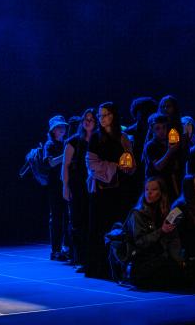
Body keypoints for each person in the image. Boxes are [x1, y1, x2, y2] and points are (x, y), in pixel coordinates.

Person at [86, 102, 135, 278]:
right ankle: (100, 268)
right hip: (101, 189)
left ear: (113, 116)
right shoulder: (95, 138)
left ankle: (118, 265)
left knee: (118, 227)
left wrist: (127, 168)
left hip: (119, 189)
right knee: (100, 227)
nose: (102, 118)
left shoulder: (123, 138)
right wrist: (114, 167)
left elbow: (130, 161)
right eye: (100, 115)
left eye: (105, 115)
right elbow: (91, 164)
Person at [124, 177, 187, 288]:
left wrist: (178, 260)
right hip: (142, 261)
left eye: (154, 190)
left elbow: (173, 238)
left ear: (161, 193)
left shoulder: (165, 212)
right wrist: (161, 231)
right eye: (147, 189)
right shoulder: (138, 214)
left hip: (159, 259)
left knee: (184, 273)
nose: (149, 193)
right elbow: (140, 242)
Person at [62, 109, 97, 272]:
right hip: (78, 185)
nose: (88, 122)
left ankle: (92, 258)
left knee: (92, 221)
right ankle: (80, 258)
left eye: (91, 119)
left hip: (95, 185)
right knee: (77, 222)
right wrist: (65, 186)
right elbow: (66, 166)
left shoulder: (98, 140)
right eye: (85, 119)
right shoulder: (74, 141)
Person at [44, 115, 70, 261]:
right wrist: (66, 155)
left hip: (66, 184)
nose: (62, 129)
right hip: (55, 186)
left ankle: (66, 247)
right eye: (59, 127)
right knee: (56, 217)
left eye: (63, 126)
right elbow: (51, 163)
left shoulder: (66, 143)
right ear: (53, 130)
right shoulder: (50, 145)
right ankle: (55, 250)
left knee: (67, 217)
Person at [142, 113, 182, 201]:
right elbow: (158, 166)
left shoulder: (169, 142)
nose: (162, 131)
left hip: (169, 184)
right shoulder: (151, 146)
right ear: (152, 129)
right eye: (158, 128)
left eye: (164, 127)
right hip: (156, 185)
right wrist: (170, 151)